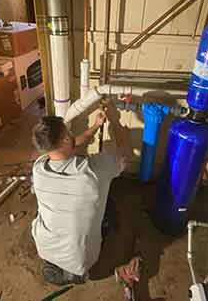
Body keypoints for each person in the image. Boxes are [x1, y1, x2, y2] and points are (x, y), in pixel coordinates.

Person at [30, 102, 132, 285]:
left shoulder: (39, 167)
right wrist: (114, 122)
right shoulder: (94, 170)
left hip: (44, 247)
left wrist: (95, 126)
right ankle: (75, 274)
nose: (71, 134)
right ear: (66, 140)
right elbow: (125, 154)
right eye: (67, 132)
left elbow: (67, 147)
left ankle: (56, 264)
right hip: (81, 261)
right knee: (110, 206)